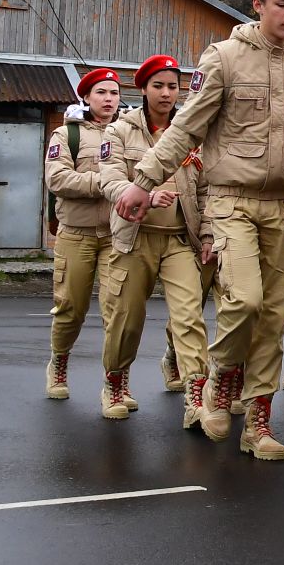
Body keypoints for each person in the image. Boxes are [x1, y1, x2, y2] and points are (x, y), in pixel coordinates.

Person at [115, 0, 284, 463]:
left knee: (274, 315)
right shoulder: (224, 57)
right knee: (244, 300)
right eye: (282, 4)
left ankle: (260, 420)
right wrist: (144, 181)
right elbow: (186, 127)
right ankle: (222, 379)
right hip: (232, 200)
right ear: (258, 4)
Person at [97, 56, 214, 422]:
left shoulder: (192, 131)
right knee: (126, 318)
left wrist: (208, 232)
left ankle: (196, 394)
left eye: (173, 86)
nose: (166, 93)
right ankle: (116, 381)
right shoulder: (120, 131)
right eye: (158, 85)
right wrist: (145, 197)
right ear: (143, 88)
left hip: (181, 238)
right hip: (136, 237)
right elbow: (109, 179)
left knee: (189, 315)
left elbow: (207, 187)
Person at [43, 69, 122, 402]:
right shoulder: (66, 135)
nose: (108, 99)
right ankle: (59, 362)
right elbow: (57, 178)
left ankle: (115, 382)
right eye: (101, 92)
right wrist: (104, 184)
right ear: (87, 98)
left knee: (117, 310)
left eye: (114, 93)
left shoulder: (126, 133)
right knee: (70, 308)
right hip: (76, 234)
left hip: (118, 235)